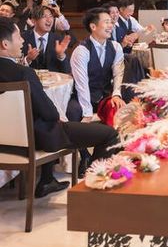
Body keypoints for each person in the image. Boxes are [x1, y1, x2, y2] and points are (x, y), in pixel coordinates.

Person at [0, 17, 118, 198]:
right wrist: (57, 115)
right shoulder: (24, 73)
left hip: (6, 140)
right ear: (5, 44)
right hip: (36, 138)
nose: (23, 40)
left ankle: (48, 180)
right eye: (18, 37)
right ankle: (91, 191)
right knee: (110, 134)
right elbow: (48, 113)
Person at [69, 8, 125, 123]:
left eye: (111, 22)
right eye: (106, 22)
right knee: (73, 112)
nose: (111, 25)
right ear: (93, 27)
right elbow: (81, 84)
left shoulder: (116, 47)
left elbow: (118, 74)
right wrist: (87, 112)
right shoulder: (81, 51)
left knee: (119, 109)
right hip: (83, 97)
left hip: (105, 96)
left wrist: (116, 94)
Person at [21, 5, 72, 73]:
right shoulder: (22, 38)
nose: (49, 20)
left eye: (51, 16)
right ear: (34, 21)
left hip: (54, 79)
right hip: (30, 78)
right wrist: (28, 59)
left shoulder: (58, 39)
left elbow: (67, 70)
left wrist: (61, 56)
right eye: (44, 16)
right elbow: (16, 67)